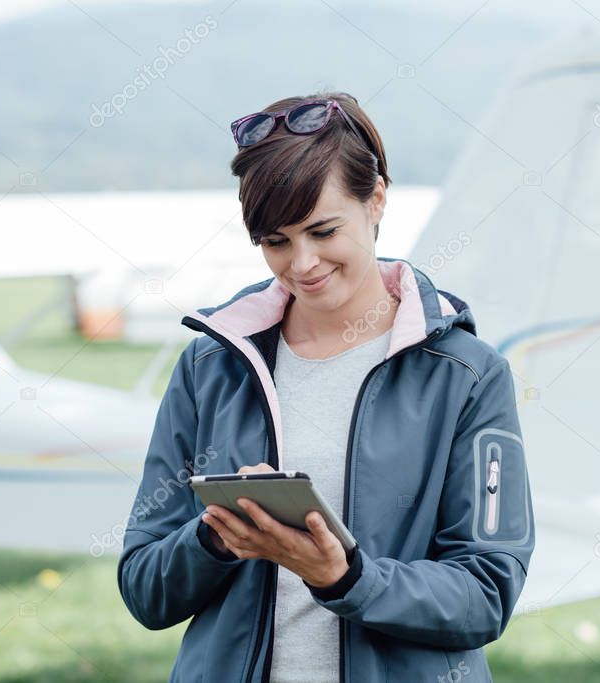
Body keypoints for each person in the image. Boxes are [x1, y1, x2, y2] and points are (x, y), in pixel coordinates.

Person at [117, 91, 535, 683]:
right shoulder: (209, 368)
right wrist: (213, 539)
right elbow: (143, 589)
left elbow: (486, 593)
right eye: (276, 241)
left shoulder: (466, 374)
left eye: (323, 230)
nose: (302, 264)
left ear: (378, 200)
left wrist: (346, 577)